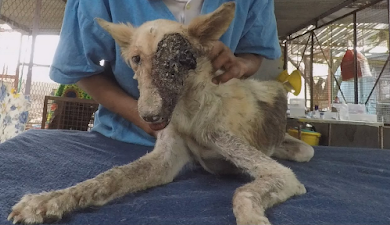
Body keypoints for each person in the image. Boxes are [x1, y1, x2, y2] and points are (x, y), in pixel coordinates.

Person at [49, 0, 281, 147]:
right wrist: (141, 117)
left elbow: (254, 51)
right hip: (128, 140)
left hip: (214, 137)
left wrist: (241, 65)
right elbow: (79, 67)